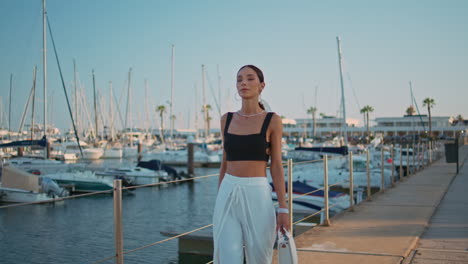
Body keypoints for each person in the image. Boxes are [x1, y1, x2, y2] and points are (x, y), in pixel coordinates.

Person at [213, 65, 289, 263]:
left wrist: (283, 208)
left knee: (260, 258)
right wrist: (219, 198)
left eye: (249, 78)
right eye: (239, 79)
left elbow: (277, 166)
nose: (243, 83)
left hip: (257, 193)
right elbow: (224, 162)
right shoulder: (226, 119)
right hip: (227, 193)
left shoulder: (272, 120)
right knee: (228, 258)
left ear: (261, 85)